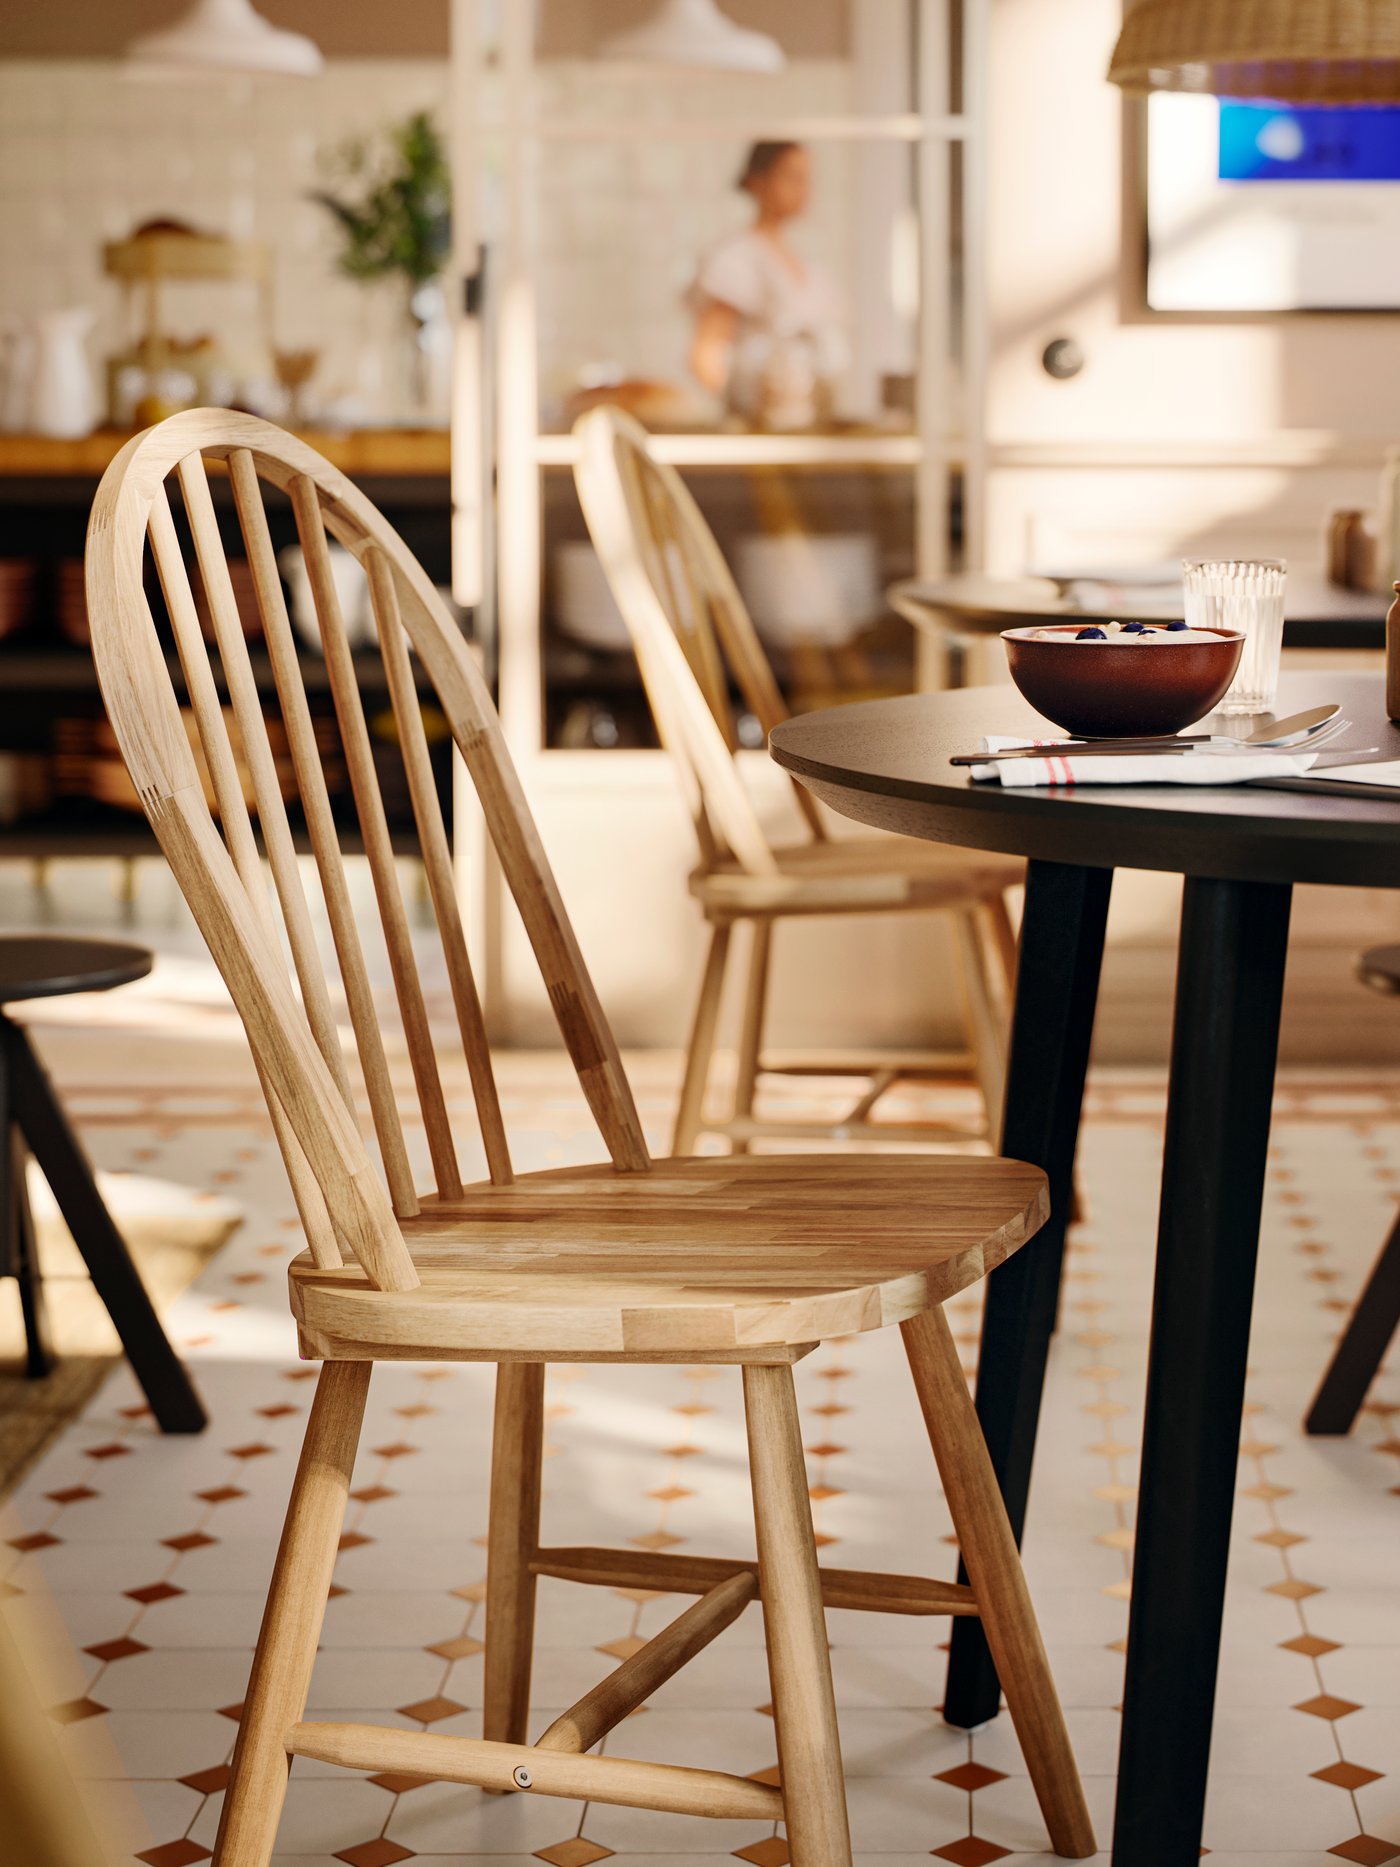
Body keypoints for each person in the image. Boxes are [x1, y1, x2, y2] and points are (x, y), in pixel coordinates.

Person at [688, 141, 846, 428]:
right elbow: (707, 355)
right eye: (792, 178)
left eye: (806, 179)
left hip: (811, 424)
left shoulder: (807, 264)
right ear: (758, 182)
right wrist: (745, 412)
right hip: (761, 428)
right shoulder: (735, 258)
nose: (803, 189)